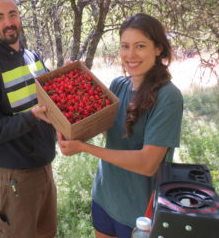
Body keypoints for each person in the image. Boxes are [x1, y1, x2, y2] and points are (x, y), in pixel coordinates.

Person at [58, 13, 183, 238]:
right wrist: (78, 88)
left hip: (138, 213)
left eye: (140, 46)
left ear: (158, 49)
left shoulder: (168, 97)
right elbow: (106, 127)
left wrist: (85, 148)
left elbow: (148, 164)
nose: (130, 54)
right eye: (125, 46)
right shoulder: (118, 85)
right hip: (105, 198)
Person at [0, 0, 57, 238]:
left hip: (44, 165)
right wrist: (32, 117)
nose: (8, 22)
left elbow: (52, 99)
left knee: (46, 232)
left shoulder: (32, 57)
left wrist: (66, 74)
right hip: (16, 175)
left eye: (12, 14)